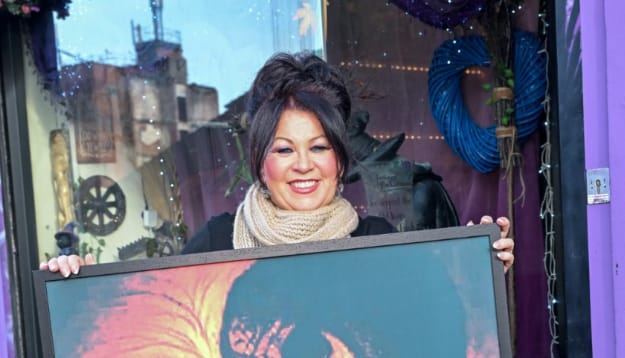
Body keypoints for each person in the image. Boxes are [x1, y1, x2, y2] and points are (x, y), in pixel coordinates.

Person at [40, 52, 514, 274]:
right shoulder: (218, 242)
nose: (303, 165)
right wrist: (80, 287)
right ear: (260, 161)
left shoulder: (376, 245)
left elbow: (431, 331)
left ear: (339, 160)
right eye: (284, 149)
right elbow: (150, 328)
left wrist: (484, 270)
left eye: (320, 147)